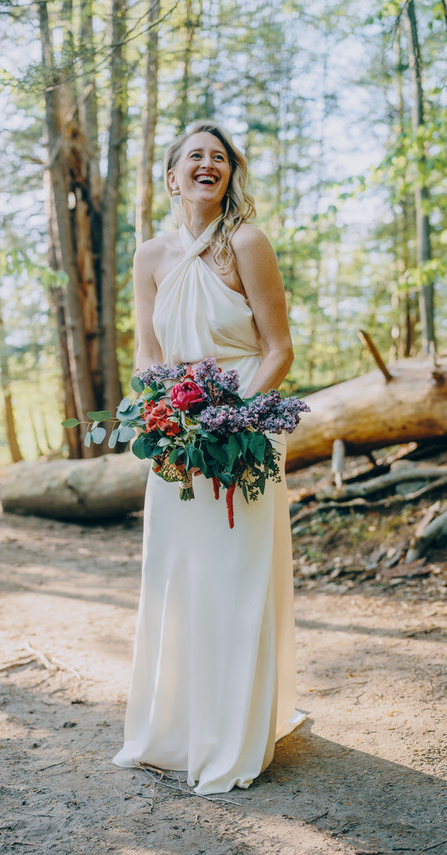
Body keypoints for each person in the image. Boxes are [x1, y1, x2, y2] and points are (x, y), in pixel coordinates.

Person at [113, 120, 304, 795]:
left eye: (219, 157)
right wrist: (163, 418)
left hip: (245, 431)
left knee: (235, 576)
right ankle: (176, 728)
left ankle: (234, 735)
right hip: (175, 435)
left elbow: (278, 349)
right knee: (177, 574)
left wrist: (234, 422)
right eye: (194, 155)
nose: (207, 164)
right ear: (172, 176)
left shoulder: (247, 243)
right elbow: (149, 353)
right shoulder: (149, 256)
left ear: (229, 175)